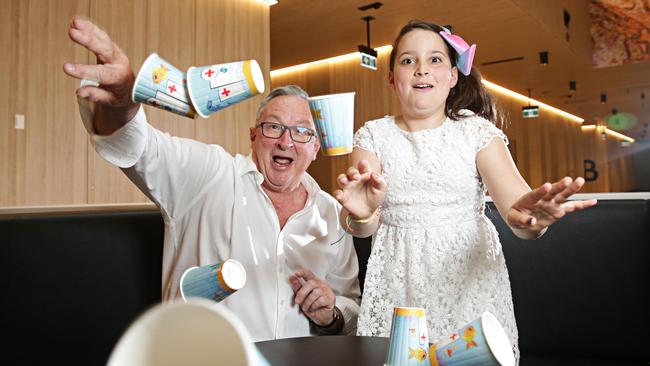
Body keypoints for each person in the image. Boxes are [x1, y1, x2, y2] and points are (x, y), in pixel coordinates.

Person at [62, 17, 360, 342]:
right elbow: (137, 146)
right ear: (253, 136)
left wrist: (331, 314)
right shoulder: (208, 174)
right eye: (273, 127)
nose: (286, 142)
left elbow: (350, 307)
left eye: (302, 132)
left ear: (315, 146)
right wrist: (123, 104)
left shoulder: (333, 213)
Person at [333, 20, 597, 360]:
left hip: (469, 285)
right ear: (392, 79)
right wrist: (363, 213)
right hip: (399, 282)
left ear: (453, 76)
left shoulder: (476, 133)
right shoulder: (372, 136)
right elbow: (362, 226)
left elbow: (519, 213)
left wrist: (534, 220)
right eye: (408, 60)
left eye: (435, 60)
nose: (421, 70)